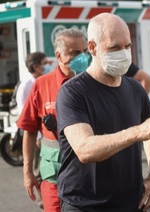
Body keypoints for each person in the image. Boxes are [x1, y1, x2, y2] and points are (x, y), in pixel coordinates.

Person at [56, 13, 150, 212]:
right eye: (114, 47)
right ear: (93, 48)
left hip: (131, 203)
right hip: (84, 205)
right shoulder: (72, 92)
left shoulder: (135, 89)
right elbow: (85, 149)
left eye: (127, 46)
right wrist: (137, 132)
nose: (123, 53)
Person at [17, 28, 88, 212]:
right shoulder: (42, 85)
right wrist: (27, 173)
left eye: (84, 52)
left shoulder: (95, 83)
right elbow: (30, 130)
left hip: (90, 178)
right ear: (59, 55)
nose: (82, 57)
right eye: (74, 53)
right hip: (53, 177)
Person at [16, 51, 49, 210]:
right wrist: (37, 137)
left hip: (47, 137)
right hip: (37, 137)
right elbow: (27, 116)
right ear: (36, 66)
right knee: (37, 171)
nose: (48, 65)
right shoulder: (26, 86)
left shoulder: (44, 81)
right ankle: (43, 201)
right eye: (45, 62)